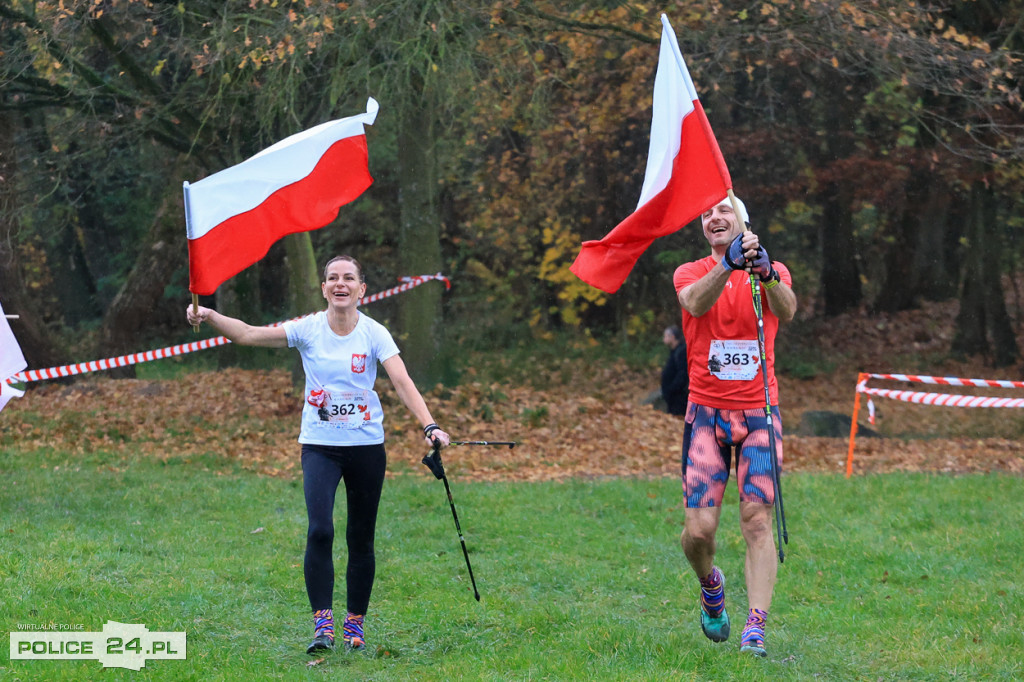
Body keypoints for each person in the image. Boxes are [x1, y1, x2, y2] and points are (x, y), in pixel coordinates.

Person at [186, 255, 450, 655]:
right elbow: (247, 335)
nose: (340, 284)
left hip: (365, 448)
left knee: (360, 537)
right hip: (320, 447)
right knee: (320, 530)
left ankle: (355, 627)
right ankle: (322, 625)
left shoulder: (374, 333)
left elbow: (401, 380)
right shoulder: (309, 328)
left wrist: (429, 425)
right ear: (324, 288)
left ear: (362, 289)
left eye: (348, 278)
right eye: (332, 278)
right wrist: (207, 313)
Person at [672, 196, 797, 658]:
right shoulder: (690, 272)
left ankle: (756, 627)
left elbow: (788, 308)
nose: (714, 217)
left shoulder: (771, 270)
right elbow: (693, 302)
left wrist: (764, 273)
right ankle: (711, 586)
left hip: (760, 412)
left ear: (744, 220)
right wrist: (727, 264)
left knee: (756, 519)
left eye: (724, 210)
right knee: (700, 532)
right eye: (706, 213)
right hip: (706, 415)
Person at [661, 326, 689, 416]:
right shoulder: (674, 351)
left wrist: (672, 389)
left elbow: (682, 374)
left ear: (672, 337)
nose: (663, 339)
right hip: (672, 397)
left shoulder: (681, 351)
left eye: (665, 336)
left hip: (679, 397)